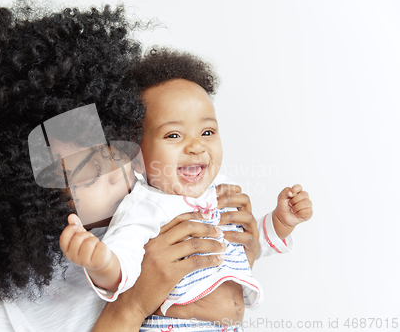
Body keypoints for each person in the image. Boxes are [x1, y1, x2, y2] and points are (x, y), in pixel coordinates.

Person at [0, 4, 263, 331]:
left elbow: (226, 309)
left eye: (114, 144)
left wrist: (238, 253)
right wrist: (131, 306)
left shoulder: (145, 215)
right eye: (86, 170)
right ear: (18, 191)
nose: (120, 169)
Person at [61, 49, 313, 331]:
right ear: (138, 156)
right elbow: (124, 263)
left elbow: (250, 245)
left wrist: (279, 221)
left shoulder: (222, 191)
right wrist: (101, 263)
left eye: (207, 132)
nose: (196, 146)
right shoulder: (144, 206)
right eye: (174, 135)